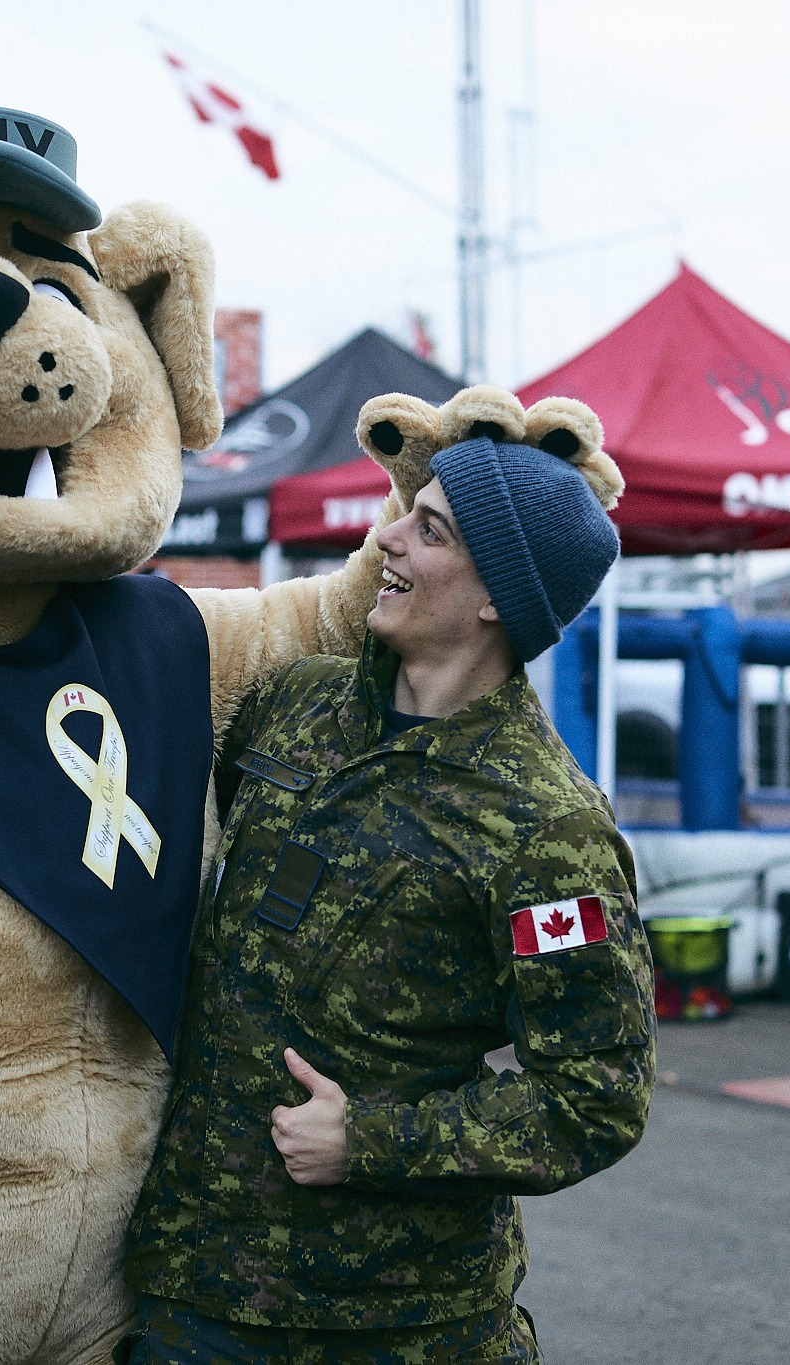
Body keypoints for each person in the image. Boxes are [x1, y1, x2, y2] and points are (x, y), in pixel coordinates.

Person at [121, 435, 656, 1363]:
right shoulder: (298, 702)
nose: (391, 539)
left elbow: (595, 1098)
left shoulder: (545, 826)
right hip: (191, 1290)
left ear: (497, 598)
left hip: (390, 1322)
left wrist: (371, 1138)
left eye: (430, 529)